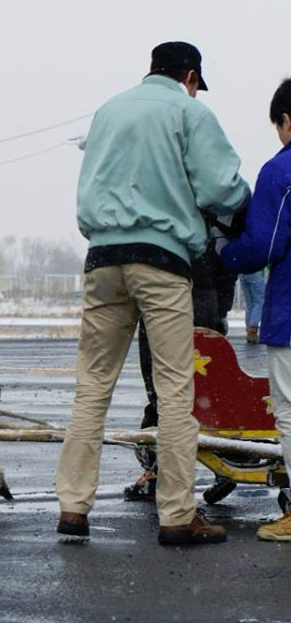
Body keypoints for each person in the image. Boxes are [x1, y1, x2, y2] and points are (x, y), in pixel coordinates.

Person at [55, 42, 250, 545]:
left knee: (92, 386)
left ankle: (73, 508)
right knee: (174, 391)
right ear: (190, 75)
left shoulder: (108, 111)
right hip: (162, 260)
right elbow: (222, 190)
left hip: (101, 259)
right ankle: (177, 515)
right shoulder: (189, 111)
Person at [218, 78, 291, 541]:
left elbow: (264, 243)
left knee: (289, 411)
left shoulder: (281, 170)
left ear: (287, 121)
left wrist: (223, 250)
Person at [124, 238, 241, 501]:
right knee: (207, 393)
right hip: (203, 291)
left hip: (168, 289)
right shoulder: (221, 211)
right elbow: (230, 259)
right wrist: (221, 306)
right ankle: (229, 463)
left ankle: (156, 471)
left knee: (163, 392)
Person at [240, 271, 266, 344]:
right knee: (259, 302)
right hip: (256, 272)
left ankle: (249, 330)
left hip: (243, 273)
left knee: (250, 304)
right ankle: (253, 329)